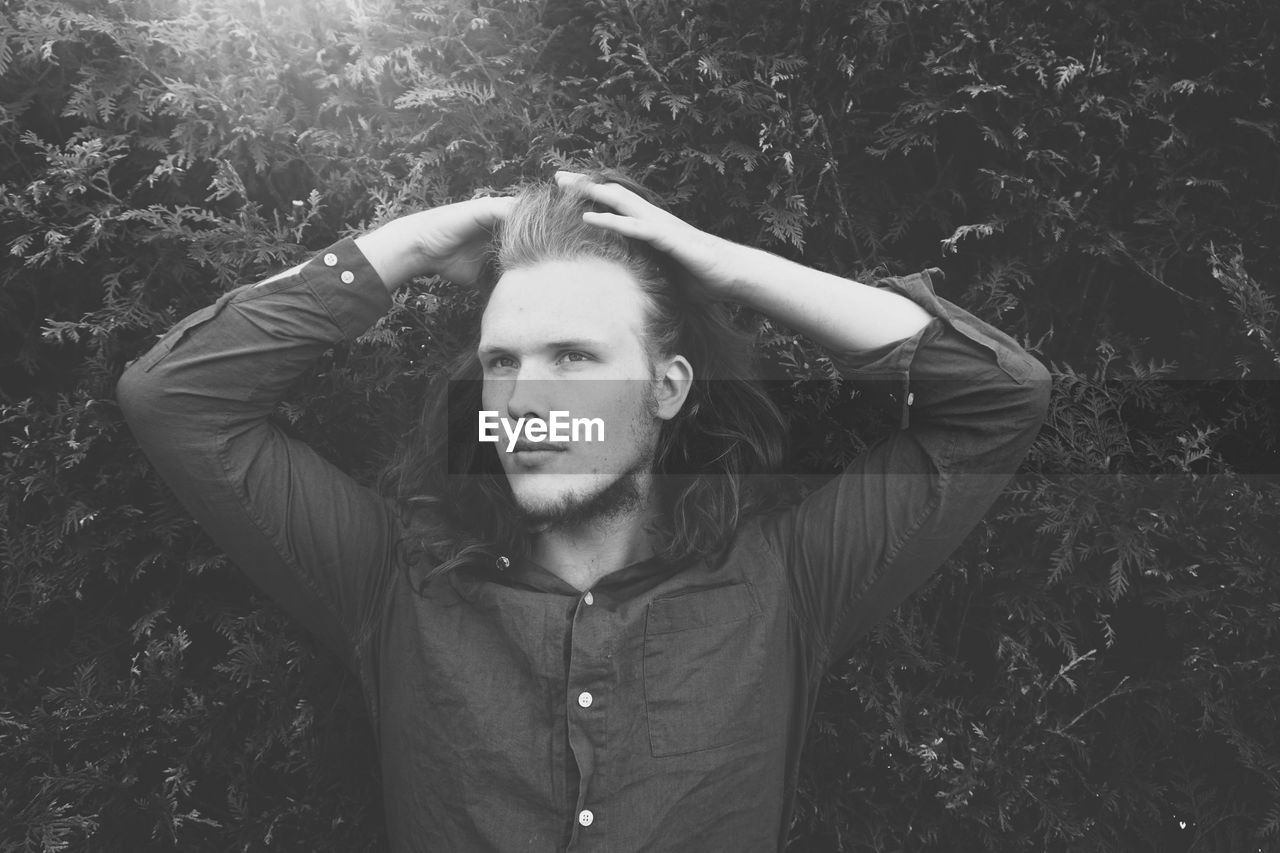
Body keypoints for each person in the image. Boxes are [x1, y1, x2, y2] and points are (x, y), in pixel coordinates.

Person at [117, 169, 1051, 851]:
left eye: (574, 356)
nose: (522, 401)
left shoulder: (787, 583)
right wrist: (420, 239)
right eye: (501, 363)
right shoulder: (391, 581)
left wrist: (722, 265)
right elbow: (177, 400)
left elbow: (997, 400)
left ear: (671, 386)